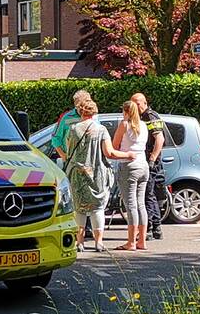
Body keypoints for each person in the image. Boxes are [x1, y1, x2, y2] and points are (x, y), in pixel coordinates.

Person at [64, 98, 130, 252]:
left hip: (77, 175)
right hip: (96, 174)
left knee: (79, 209)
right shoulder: (101, 130)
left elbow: (68, 152)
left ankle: (80, 242)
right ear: (95, 112)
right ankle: (98, 242)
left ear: (81, 112)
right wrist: (128, 154)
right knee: (97, 208)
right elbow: (109, 152)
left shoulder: (73, 129)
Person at [113, 100, 150, 251]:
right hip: (143, 165)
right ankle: (142, 240)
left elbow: (114, 146)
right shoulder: (144, 125)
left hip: (128, 165)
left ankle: (131, 242)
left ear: (126, 111)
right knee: (140, 203)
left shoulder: (124, 124)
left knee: (130, 204)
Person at [131, 92, 166, 240]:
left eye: (137, 104)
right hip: (145, 161)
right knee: (149, 194)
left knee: (147, 195)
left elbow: (160, 139)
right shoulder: (140, 117)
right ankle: (156, 228)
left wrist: (152, 159)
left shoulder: (150, 116)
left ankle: (151, 228)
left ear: (144, 103)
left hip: (150, 162)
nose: (135, 106)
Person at [51, 89, 92, 161]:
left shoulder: (93, 116)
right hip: (71, 160)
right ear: (75, 104)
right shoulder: (66, 117)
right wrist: (63, 156)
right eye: (79, 105)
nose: (81, 108)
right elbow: (55, 138)